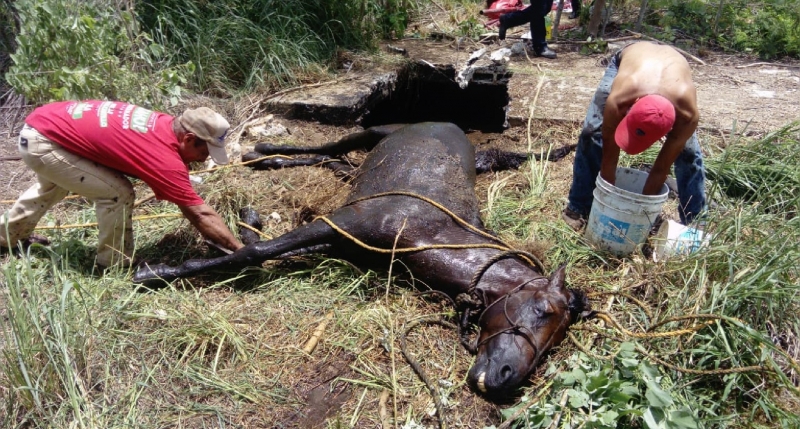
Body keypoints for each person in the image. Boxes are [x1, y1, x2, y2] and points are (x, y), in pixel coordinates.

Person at [0, 100, 244, 268]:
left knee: (53, 186)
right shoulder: (163, 157)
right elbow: (200, 214)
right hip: (45, 142)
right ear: (188, 139)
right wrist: (240, 250)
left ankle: (5, 236)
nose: (204, 159)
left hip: (45, 124)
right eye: (205, 151)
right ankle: (114, 263)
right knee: (117, 193)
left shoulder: (164, 123)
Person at [563, 42, 706, 230]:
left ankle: (695, 220)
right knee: (592, 133)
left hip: (674, 69)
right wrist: (608, 204)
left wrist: (640, 211)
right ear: (632, 106)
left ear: (669, 129)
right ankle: (578, 205)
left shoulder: (687, 115)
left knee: (689, 154)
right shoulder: (620, 98)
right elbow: (609, 158)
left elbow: (660, 169)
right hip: (631, 58)